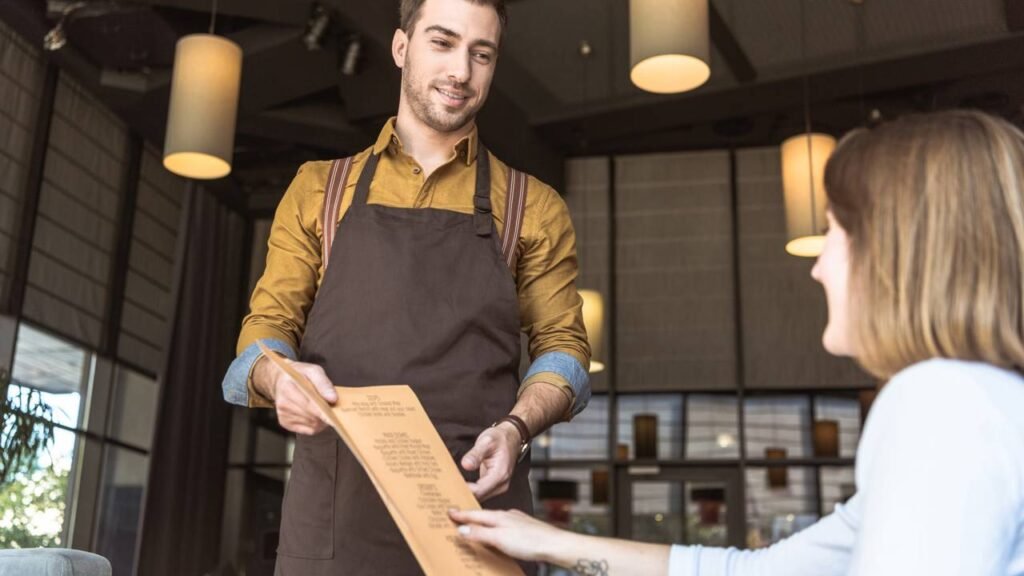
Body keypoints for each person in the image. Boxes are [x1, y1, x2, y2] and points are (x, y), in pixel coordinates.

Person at [451, 110, 1024, 575]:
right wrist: (546, 542)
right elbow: (746, 571)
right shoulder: (982, 400)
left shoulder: (938, 399)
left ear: (901, 250)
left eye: (836, 233)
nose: (819, 265)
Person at [220, 0, 592, 574]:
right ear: (401, 48)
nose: (461, 71)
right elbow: (262, 337)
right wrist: (280, 377)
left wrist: (517, 431)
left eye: (481, 53)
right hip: (333, 521)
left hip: (476, 512)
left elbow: (565, 352)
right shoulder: (320, 189)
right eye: (442, 43)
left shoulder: (534, 206)